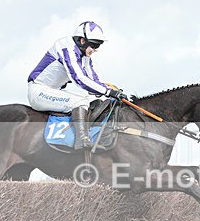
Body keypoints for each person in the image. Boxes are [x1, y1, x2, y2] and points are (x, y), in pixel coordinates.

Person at [27, 21, 128, 149]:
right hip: (38, 91)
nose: (95, 50)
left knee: (90, 100)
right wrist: (108, 92)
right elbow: (79, 78)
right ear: (82, 40)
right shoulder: (66, 47)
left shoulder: (84, 54)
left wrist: (111, 90)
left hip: (52, 92)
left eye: (98, 46)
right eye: (94, 45)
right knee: (80, 102)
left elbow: (92, 79)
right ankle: (82, 140)